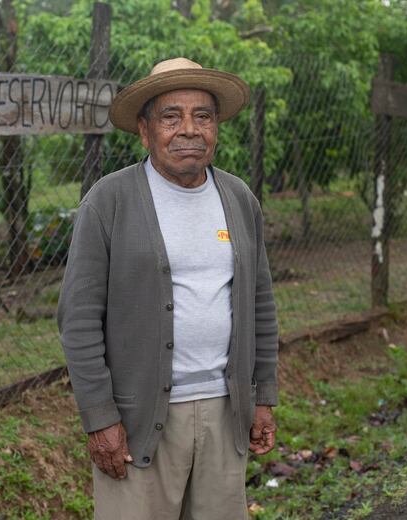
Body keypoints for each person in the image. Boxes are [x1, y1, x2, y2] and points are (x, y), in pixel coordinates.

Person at [57, 57, 279, 520]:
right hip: (139, 420)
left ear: (216, 127)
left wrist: (263, 398)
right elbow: (78, 320)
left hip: (225, 411)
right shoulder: (110, 200)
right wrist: (100, 417)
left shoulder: (239, 199)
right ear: (145, 130)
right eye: (171, 116)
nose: (189, 129)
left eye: (203, 116)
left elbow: (260, 304)